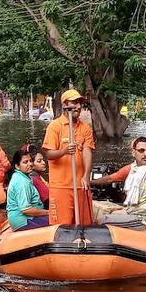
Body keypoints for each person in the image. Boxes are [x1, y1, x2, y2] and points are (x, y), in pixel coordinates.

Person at [90, 136, 146, 233]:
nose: (145, 154)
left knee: (102, 220)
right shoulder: (136, 169)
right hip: (139, 214)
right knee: (111, 212)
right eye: (141, 151)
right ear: (133, 153)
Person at [42, 89, 96, 226]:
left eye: (79, 102)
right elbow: (48, 154)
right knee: (61, 227)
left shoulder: (85, 128)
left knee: (86, 226)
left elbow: (87, 151)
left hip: (81, 186)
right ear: (65, 105)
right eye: (74, 102)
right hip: (61, 187)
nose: (78, 106)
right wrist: (64, 151)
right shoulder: (55, 126)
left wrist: (86, 175)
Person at [5, 149, 49, 230]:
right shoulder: (21, 182)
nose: (30, 164)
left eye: (30, 161)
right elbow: (26, 210)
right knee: (58, 219)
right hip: (24, 220)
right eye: (25, 162)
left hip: (26, 218)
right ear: (17, 166)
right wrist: (48, 212)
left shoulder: (23, 177)